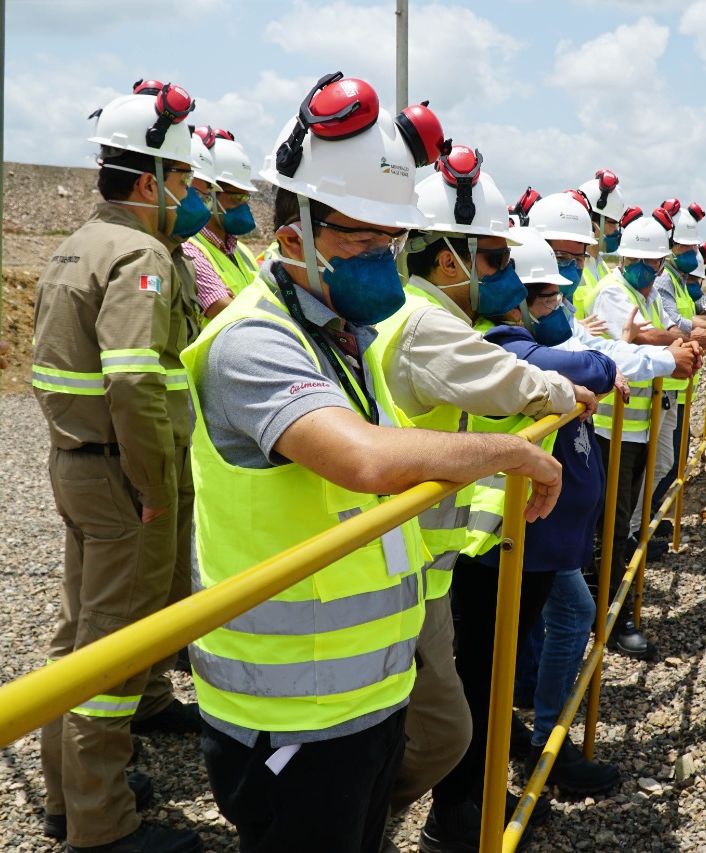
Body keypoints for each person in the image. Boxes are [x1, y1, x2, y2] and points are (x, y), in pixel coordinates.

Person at [183, 74, 561, 853]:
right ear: (293, 240)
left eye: (390, 242)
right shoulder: (253, 342)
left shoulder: (339, 337)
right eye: (360, 245)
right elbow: (359, 458)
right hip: (289, 717)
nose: (382, 262)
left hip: (362, 697)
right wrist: (508, 448)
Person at [372, 150, 587, 848]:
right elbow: (509, 380)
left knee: (419, 716)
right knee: (432, 721)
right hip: (402, 553)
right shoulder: (427, 323)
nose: (509, 276)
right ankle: (372, 815)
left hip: (412, 550)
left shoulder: (418, 314)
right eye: (495, 259)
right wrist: (564, 391)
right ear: (446, 261)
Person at [32, 80, 204, 853]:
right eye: (186, 180)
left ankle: (72, 791)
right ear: (149, 182)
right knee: (118, 645)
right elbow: (134, 379)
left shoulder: (78, 241)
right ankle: (101, 825)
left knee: (80, 635)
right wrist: (153, 488)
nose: (192, 196)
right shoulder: (141, 253)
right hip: (122, 476)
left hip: (78, 465)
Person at [487, 229, 627, 795]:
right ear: (518, 298)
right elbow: (593, 367)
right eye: (550, 299)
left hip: (542, 534)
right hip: (519, 532)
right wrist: (587, 366)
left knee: (559, 620)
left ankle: (538, 738)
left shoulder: (525, 342)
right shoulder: (506, 342)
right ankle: (541, 744)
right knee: (559, 621)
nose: (561, 308)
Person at [588, 214, 706, 660]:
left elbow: (656, 336)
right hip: (610, 428)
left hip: (637, 427)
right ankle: (610, 619)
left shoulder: (644, 296)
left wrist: (669, 345)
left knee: (619, 526)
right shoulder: (613, 294)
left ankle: (610, 609)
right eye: (649, 264)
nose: (655, 272)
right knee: (611, 527)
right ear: (629, 260)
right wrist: (668, 350)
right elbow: (630, 346)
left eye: (658, 265)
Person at [650, 204, 706, 519]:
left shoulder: (679, 280)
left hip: (678, 382)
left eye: (692, 247)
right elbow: (676, 324)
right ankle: (651, 531)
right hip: (659, 386)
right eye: (684, 247)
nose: (689, 252)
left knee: (671, 462)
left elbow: (696, 304)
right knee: (661, 465)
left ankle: (656, 527)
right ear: (669, 247)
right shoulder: (663, 282)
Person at [184, 127, 260, 322]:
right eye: (236, 198)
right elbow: (224, 309)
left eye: (245, 197)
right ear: (210, 193)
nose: (244, 206)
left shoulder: (241, 251)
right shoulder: (189, 248)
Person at [571, 169, 625, 317]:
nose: (616, 230)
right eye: (612, 223)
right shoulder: (570, 268)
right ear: (592, 222)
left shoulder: (603, 268)